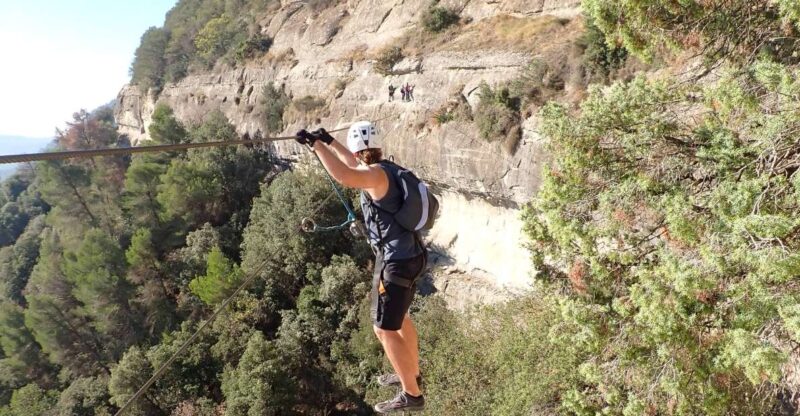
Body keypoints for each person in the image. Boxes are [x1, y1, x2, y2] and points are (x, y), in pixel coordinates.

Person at [296, 123, 427, 413]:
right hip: (411, 255)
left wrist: (315, 146)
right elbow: (353, 163)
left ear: (359, 150)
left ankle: (412, 394)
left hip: (395, 262)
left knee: (383, 328)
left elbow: (345, 175)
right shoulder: (386, 169)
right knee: (400, 317)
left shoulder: (374, 175)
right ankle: (411, 372)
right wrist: (329, 141)